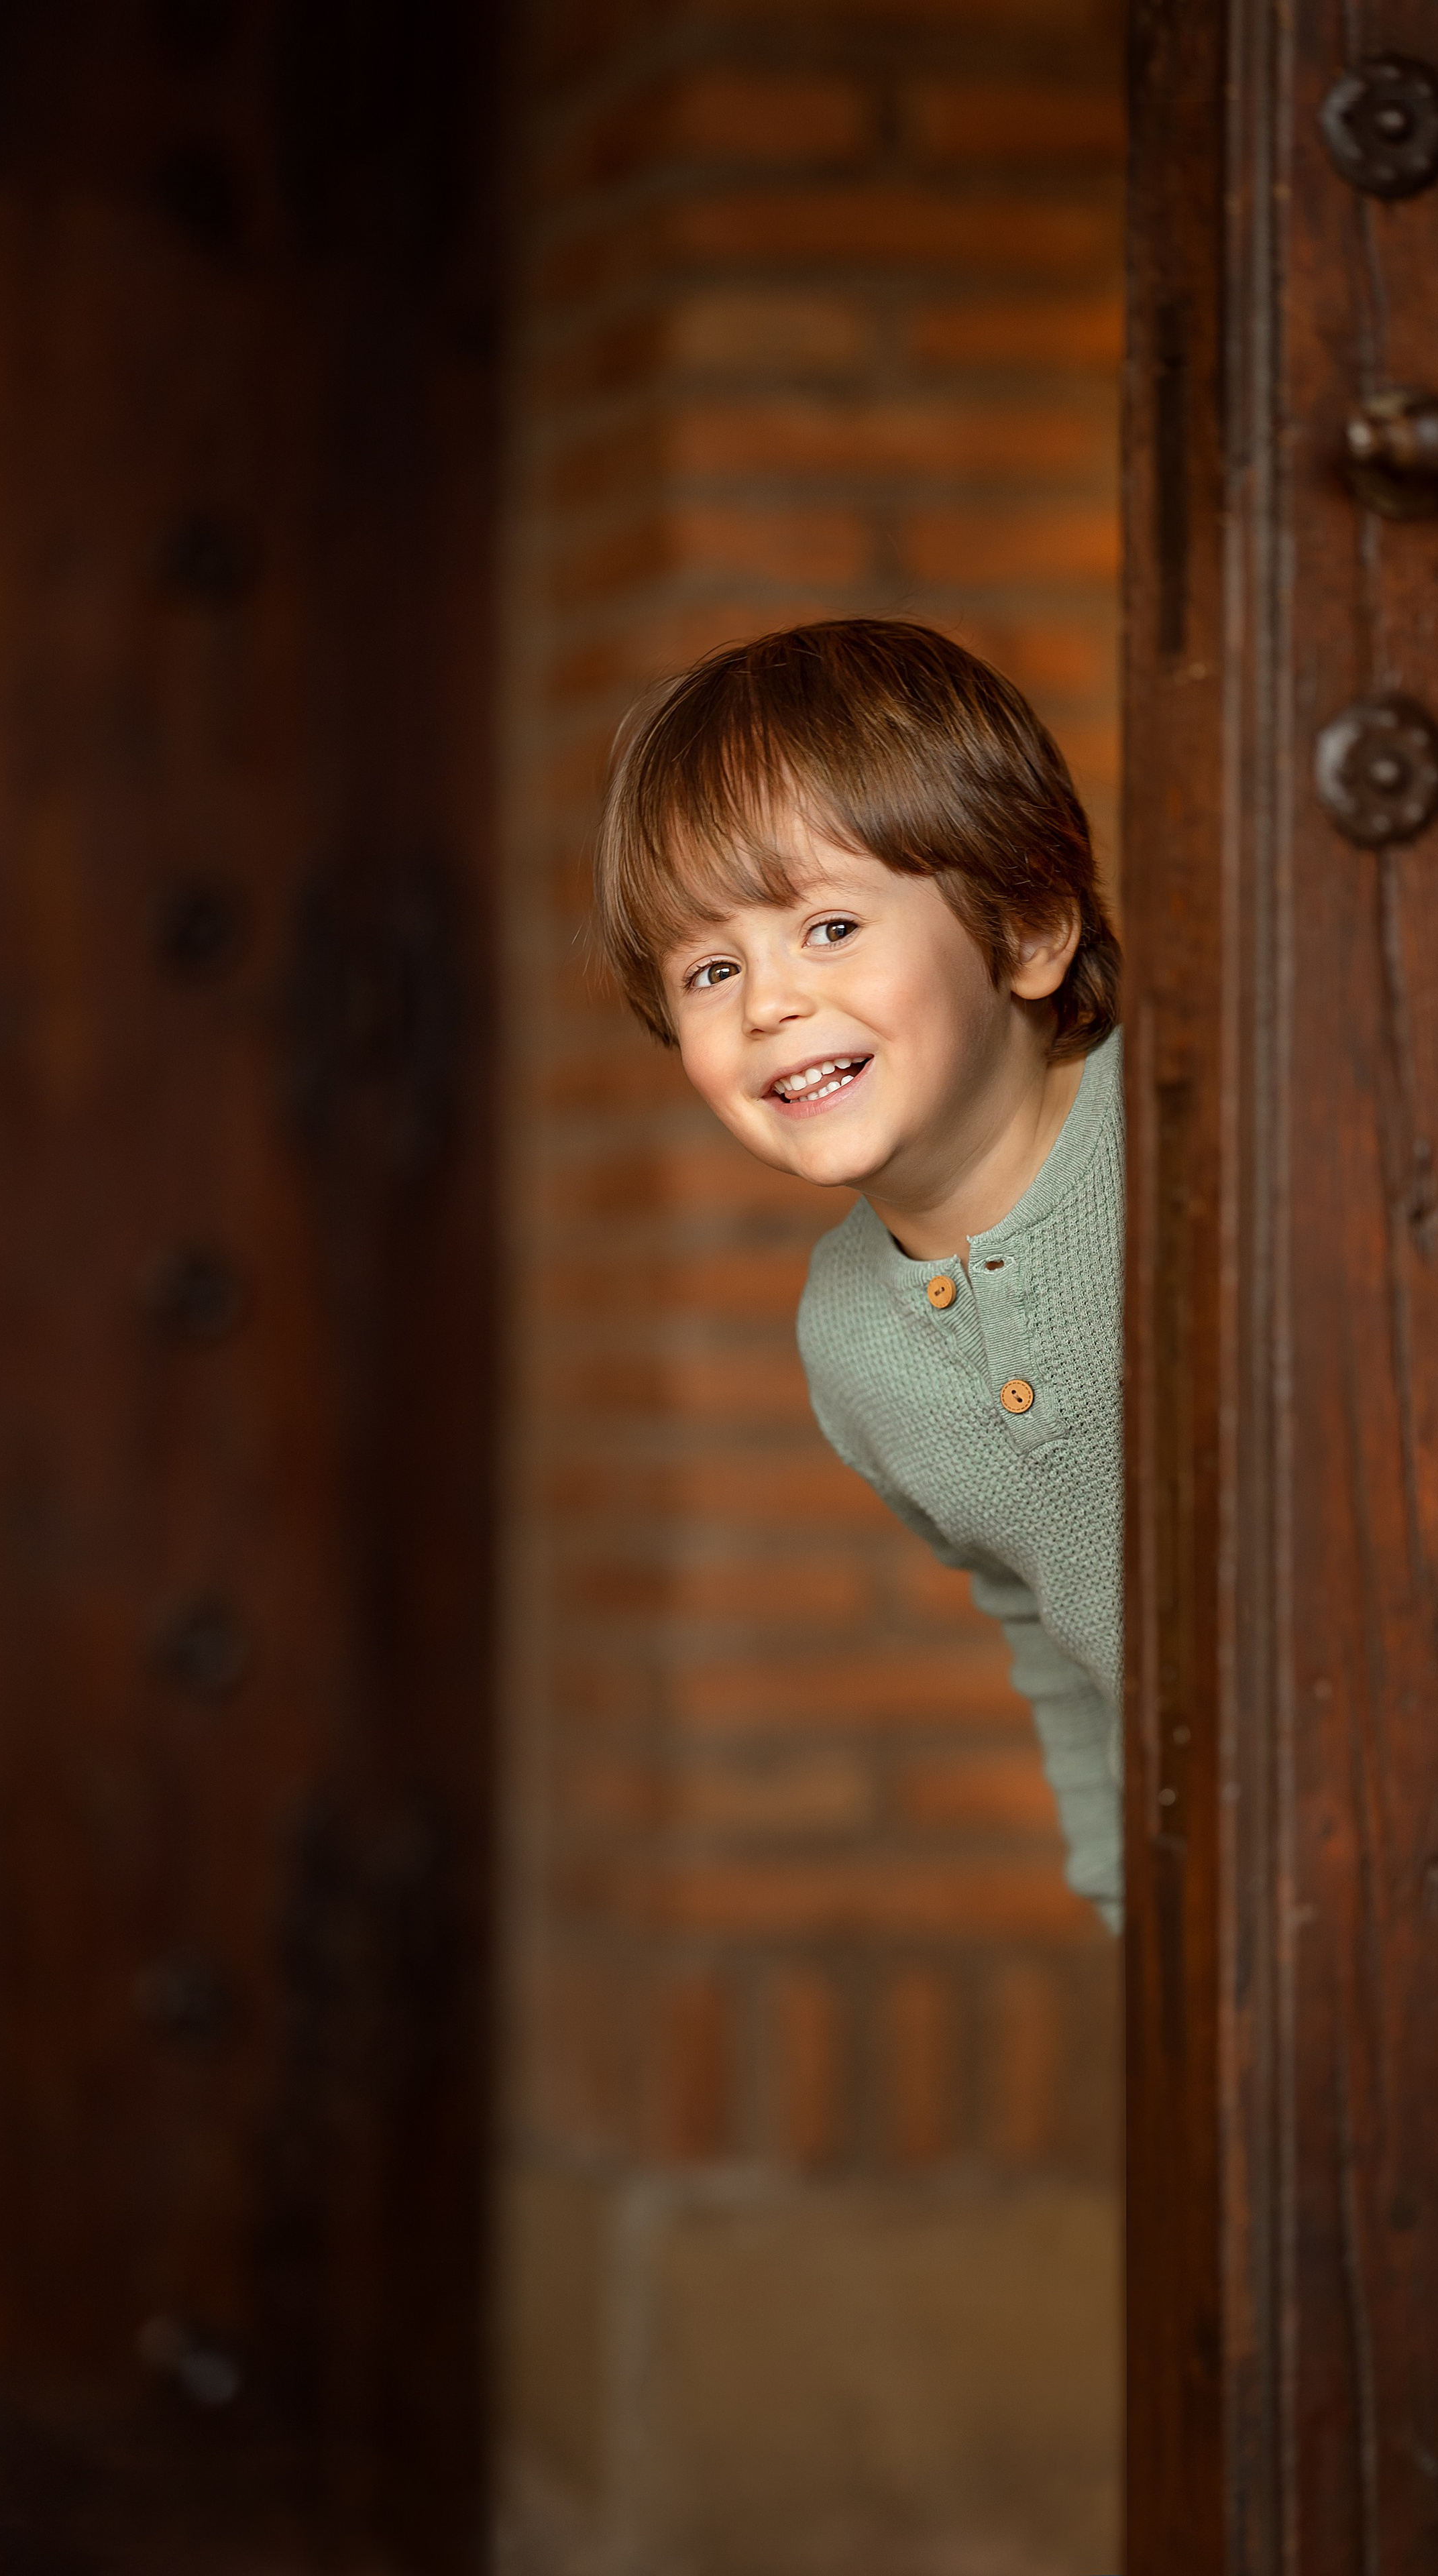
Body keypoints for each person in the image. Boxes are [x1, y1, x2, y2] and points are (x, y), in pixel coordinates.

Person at [594, 618, 1123, 1929]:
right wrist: (1133, 1896)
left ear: (1028, 928)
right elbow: (1052, 1634)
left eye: (828, 924)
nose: (766, 1001)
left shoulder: (1188, 1149)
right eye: (710, 969)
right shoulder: (849, 1346)